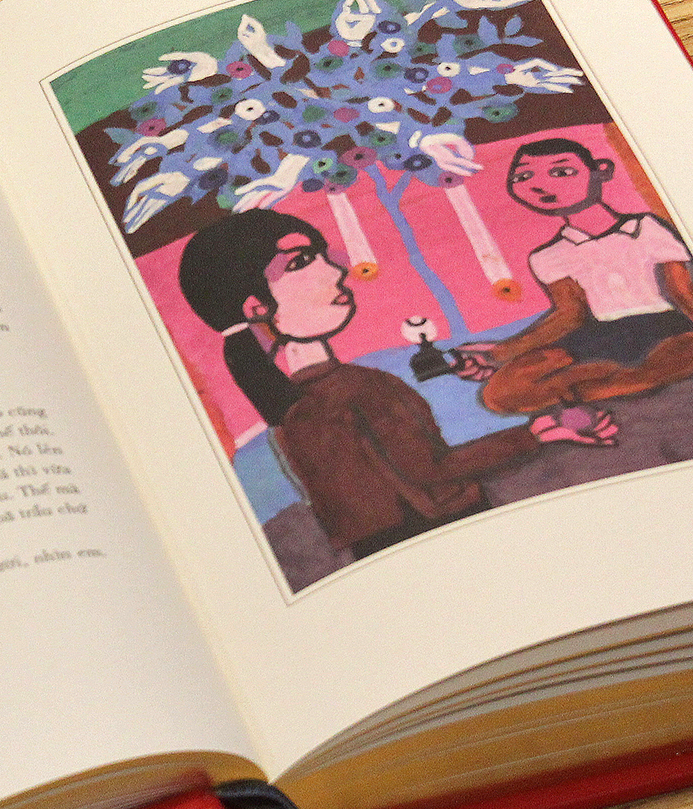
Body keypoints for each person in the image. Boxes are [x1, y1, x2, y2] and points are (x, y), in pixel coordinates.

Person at [177, 210, 614, 561]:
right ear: (256, 306)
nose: (337, 271)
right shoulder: (357, 389)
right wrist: (537, 433)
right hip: (447, 537)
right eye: (300, 262)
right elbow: (431, 471)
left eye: (323, 255)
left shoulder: (286, 410)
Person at [459, 138, 693, 414]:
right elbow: (570, 315)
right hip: (596, 334)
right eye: (523, 177)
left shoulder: (647, 228)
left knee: (688, 353)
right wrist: (500, 353)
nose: (539, 186)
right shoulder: (548, 255)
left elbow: (684, 291)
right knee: (498, 394)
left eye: (561, 172)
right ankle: (600, 383)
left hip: (664, 326)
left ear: (601, 171)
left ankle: (590, 389)